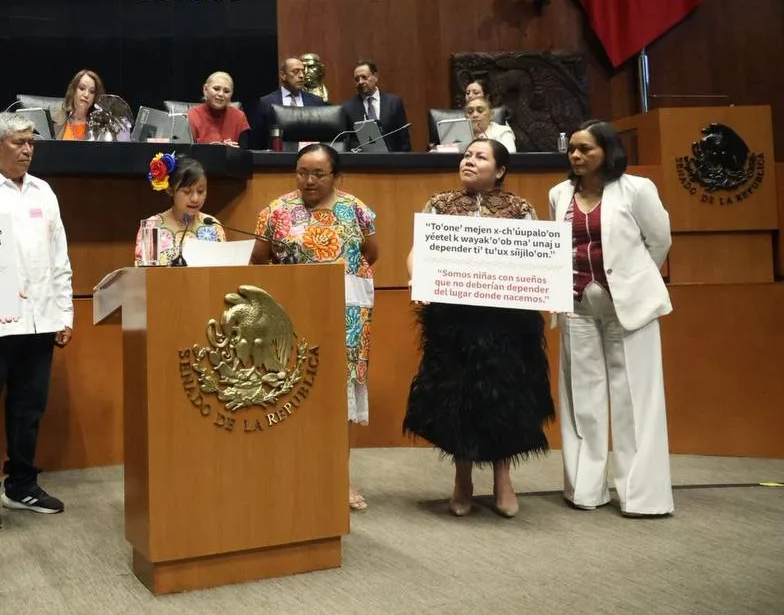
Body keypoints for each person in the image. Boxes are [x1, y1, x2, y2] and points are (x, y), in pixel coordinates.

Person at [403, 139, 554, 518]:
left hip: (507, 322)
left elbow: (539, 260)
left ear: (500, 170)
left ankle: (504, 479)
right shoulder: (440, 203)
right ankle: (462, 478)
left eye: (480, 157)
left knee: (504, 398)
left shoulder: (520, 209)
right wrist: (416, 277)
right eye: (467, 155)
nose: (469, 161)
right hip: (455, 320)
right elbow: (418, 251)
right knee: (458, 398)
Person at [550, 120, 674, 517]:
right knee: (581, 398)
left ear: (608, 151)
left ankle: (641, 496)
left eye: (585, 149)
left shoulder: (638, 190)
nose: (576, 156)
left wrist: (632, 281)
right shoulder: (558, 194)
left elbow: (660, 240)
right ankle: (586, 489)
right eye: (572, 149)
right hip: (577, 304)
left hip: (630, 307)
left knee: (634, 399)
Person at [0, 112, 74, 532]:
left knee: (29, 409)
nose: (28, 150)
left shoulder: (44, 190)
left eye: (31, 143)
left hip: (40, 319)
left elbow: (59, 256)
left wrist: (64, 313)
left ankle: (22, 484)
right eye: (19, 142)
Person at [251, 143, 377, 511]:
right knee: (293, 390)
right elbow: (259, 260)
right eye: (302, 172)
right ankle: (293, 472)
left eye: (318, 174)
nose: (309, 180)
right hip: (293, 315)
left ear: (335, 176)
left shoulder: (355, 209)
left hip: (348, 313)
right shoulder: (276, 211)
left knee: (340, 395)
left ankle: (340, 476)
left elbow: (371, 253)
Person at [135, 154, 226, 265]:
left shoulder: (212, 225)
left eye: (201, 191)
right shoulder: (152, 227)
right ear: (170, 190)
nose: (195, 198)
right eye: (187, 192)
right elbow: (145, 274)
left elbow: (223, 270)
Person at [252, 57, 325, 148]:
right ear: (283, 75)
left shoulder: (316, 101)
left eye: (303, 71)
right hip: (279, 156)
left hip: (309, 154)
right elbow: (257, 138)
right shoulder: (267, 102)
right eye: (295, 71)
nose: (301, 75)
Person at [341, 61, 410, 152]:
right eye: (357, 79)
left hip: (392, 160)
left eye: (364, 77)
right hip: (362, 161)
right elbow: (346, 141)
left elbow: (403, 140)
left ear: (376, 77)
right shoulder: (348, 107)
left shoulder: (394, 103)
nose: (360, 82)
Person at [186, 71, 250, 145]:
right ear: (205, 90)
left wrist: (230, 151)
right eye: (216, 89)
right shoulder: (190, 116)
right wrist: (218, 150)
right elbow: (184, 152)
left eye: (226, 91)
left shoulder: (239, 117)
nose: (221, 94)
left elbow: (244, 153)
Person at [51, 69, 104, 140]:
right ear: (73, 90)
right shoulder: (53, 118)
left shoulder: (100, 126)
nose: (86, 95)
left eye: (92, 91)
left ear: (95, 97)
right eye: (82, 88)